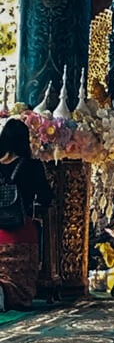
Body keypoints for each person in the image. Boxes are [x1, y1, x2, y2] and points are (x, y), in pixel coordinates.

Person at [0, 119, 54, 311]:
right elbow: (47, 198)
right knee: (21, 290)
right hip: (21, 233)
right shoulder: (32, 166)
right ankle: (5, 293)